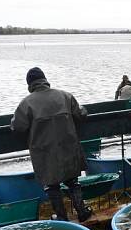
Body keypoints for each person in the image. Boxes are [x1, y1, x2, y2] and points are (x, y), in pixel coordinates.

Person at [11, 67, 92, 222]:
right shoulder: (65, 96)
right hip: (68, 147)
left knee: (52, 184)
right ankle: (82, 211)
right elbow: (81, 114)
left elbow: (17, 127)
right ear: (45, 80)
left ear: (30, 84)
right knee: (73, 181)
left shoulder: (26, 103)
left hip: (45, 152)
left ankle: (61, 216)